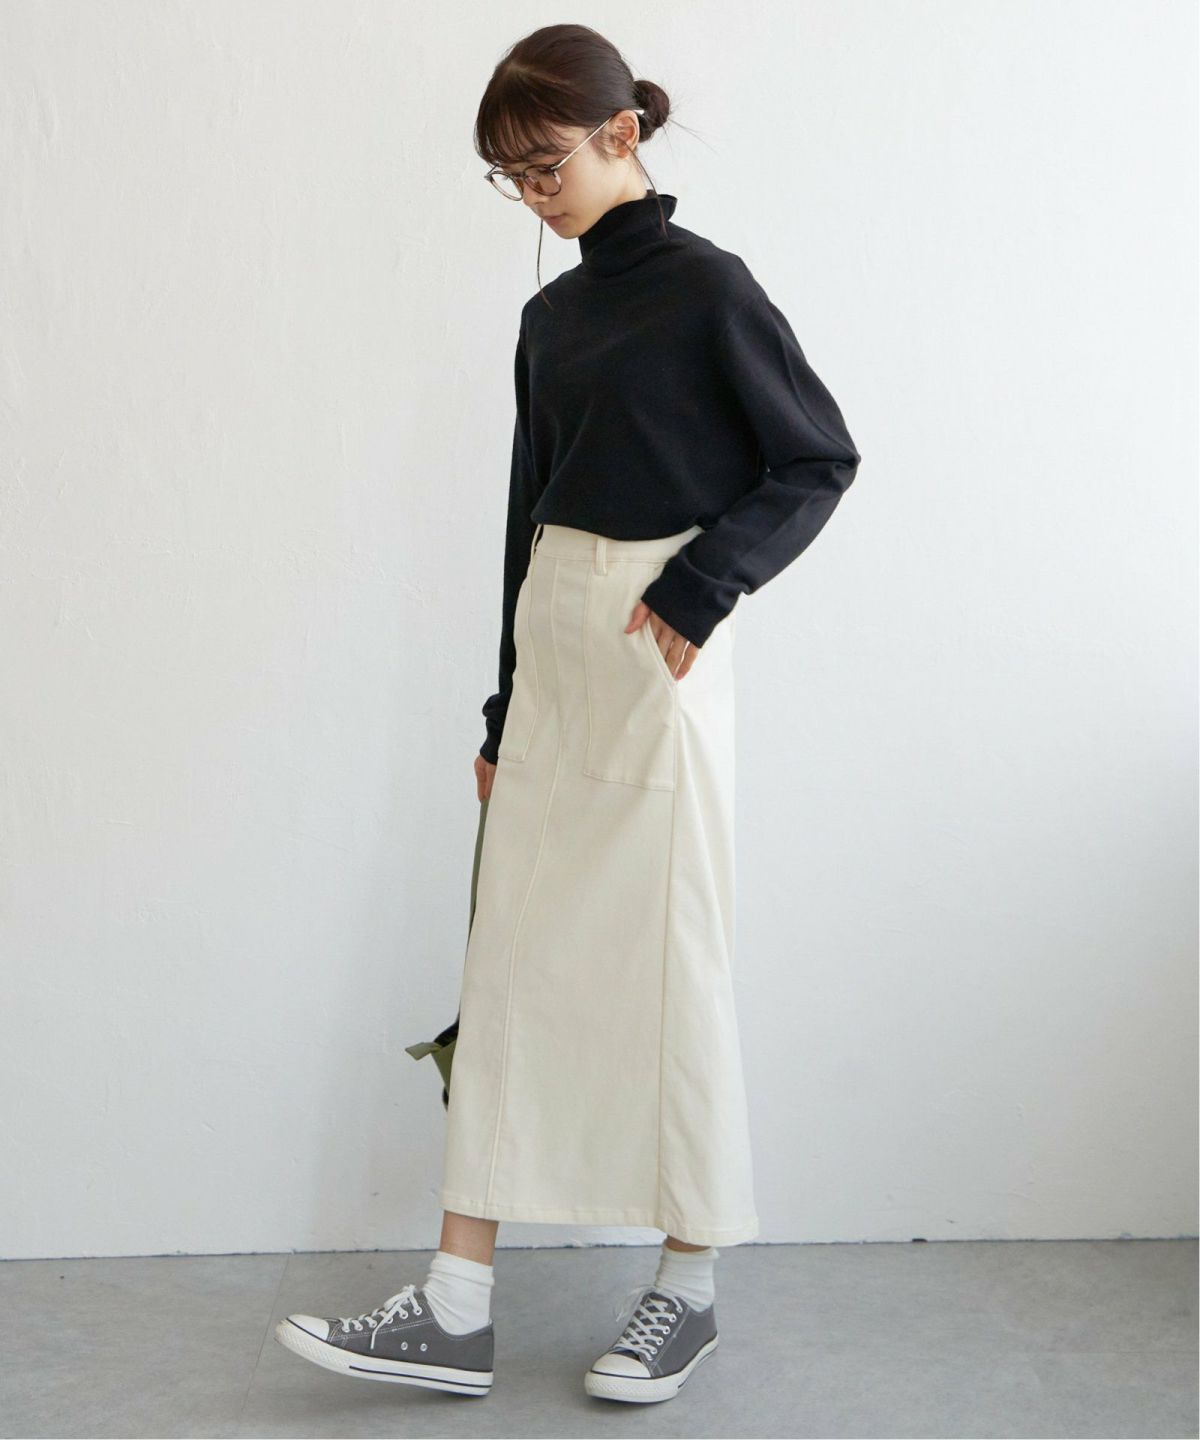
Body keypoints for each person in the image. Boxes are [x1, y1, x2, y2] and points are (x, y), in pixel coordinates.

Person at [275, 22, 861, 1406]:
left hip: (660, 646)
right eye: (512, 176)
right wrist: (503, 710)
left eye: (547, 164)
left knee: (669, 961)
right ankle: (455, 1302)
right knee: (510, 968)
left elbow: (817, 456)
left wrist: (705, 584)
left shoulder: (710, 288)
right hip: (555, 645)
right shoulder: (551, 319)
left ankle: (688, 1289)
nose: (535, 194)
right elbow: (523, 523)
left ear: (623, 134)